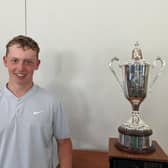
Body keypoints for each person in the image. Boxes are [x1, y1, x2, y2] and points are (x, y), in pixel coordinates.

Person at [0, 35, 72, 168]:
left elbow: (64, 143)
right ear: (5, 61)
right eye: (15, 60)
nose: (21, 68)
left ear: (37, 64)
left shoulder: (51, 102)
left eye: (28, 62)